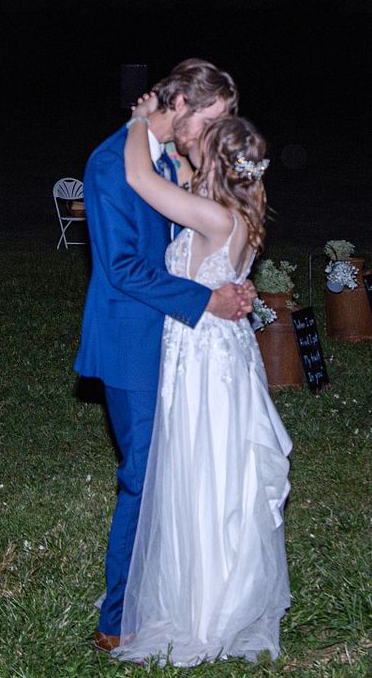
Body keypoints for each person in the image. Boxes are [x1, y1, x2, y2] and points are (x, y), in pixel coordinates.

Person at [74, 59, 255, 653]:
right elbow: (124, 267)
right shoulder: (110, 163)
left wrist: (226, 282)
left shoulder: (181, 161)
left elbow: (199, 237)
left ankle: (168, 590)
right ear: (179, 105)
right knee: (143, 478)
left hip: (184, 350)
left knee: (177, 476)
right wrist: (209, 300)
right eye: (211, 118)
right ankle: (117, 620)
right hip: (133, 345)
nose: (216, 132)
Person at [113, 96, 293, 667]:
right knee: (221, 469)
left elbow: (139, 177)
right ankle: (214, 589)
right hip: (224, 354)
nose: (191, 149)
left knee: (202, 468)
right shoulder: (244, 211)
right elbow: (185, 177)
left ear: (216, 165)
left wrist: (139, 119)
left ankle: (206, 607)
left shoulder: (213, 218)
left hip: (202, 361)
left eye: (202, 148)